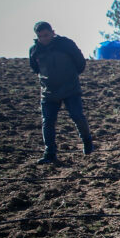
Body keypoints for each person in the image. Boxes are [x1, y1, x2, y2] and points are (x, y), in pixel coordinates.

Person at [29, 21, 94, 164]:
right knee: (48, 122)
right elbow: (35, 68)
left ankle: (87, 142)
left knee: (77, 116)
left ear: (52, 32)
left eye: (46, 35)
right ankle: (50, 153)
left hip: (70, 89)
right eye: (40, 37)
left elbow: (80, 63)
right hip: (48, 93)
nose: (44, 39)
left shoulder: (66, 44)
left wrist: (70, 78)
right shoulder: (35, 50)